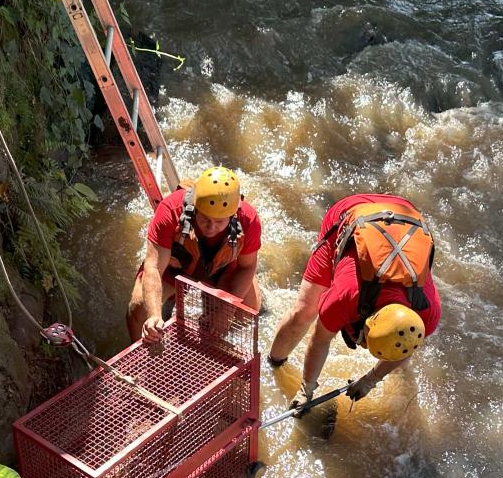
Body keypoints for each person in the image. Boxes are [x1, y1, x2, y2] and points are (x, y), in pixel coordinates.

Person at [268, 192, 440, 410]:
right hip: (351, 215)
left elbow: (409, 347)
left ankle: (395, 372)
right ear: (369, 321)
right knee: (305, 311)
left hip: (406, 219)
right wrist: (306, 389)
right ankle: (274, 362)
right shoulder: (345, 298)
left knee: (402, 346)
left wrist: (371, 379)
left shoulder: (427, 315)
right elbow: (320, 340)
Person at [126, 166, 262, 342]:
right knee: (138, 309)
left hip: (222, 267)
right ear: (196, 207)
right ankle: (144, 350)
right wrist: (154, 315)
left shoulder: (248, 219)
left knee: (245, 315)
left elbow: (247, 267)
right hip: (176, 267)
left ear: (233, 214)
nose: (211, 227)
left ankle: (223, 302)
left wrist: (225, 312)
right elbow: (153, 267)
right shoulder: (170, 210)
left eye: (219, 221)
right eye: (205, 218)